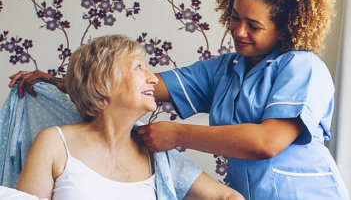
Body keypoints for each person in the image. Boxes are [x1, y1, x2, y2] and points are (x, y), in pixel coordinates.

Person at [9, 0, 349, 200]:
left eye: (253, 25)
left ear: (284, 26)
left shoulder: (303, 67)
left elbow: (266, 142)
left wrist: (177, 135)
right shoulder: (224, 71)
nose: (238, 31)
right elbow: (129, 84)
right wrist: (58, 82)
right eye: (234, 17)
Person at [12, 35, 243, 200]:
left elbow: (227, 197)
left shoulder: (156, 155)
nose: (153, 78)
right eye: (138, 67)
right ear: (102, 82)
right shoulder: (54, 143)